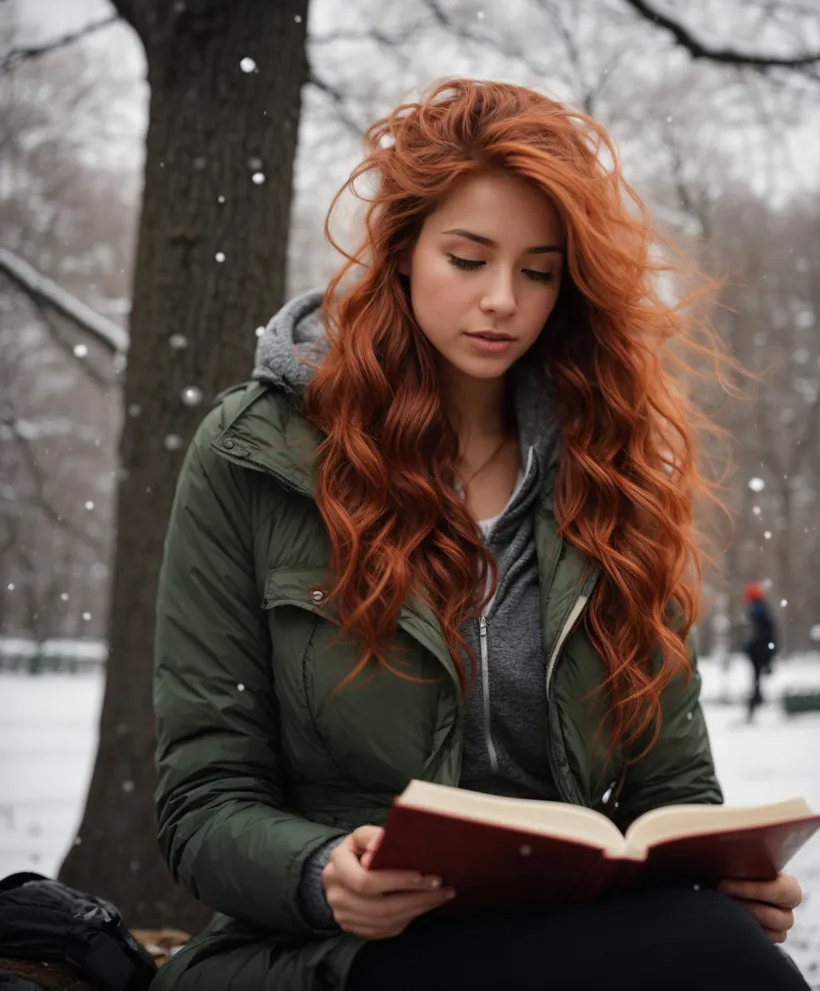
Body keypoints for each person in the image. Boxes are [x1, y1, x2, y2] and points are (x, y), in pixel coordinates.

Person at [151, 79, 808, 990]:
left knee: (729, 954)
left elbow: (672, 791)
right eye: (468, 259)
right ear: (404, 250)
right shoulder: (254, 455)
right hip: (335, 956)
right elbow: (202, 804)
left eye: (538, 271)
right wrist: (320, 874)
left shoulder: (610, 480)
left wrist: (728, 879)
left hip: (568, 930)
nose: (503, 299)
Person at [742, 580, 778, 721]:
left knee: (756, 678)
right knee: (757, 679)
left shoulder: (758, 609)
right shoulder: (762, 608)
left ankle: (755, 703)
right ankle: (756, 701)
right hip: (762, 649)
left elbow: (763, 632)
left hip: (761, 650)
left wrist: (753, 646)